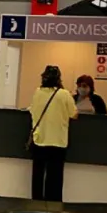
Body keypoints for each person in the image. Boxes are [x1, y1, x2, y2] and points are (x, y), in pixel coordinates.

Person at [28, 65, 78, 202]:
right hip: (58, 141)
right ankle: (53, 203)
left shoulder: (37, 92)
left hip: (40, 139)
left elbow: (32, 110)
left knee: (38, 174)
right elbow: (74, 114)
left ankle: (36, 201)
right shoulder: (64, 94)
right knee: (55, 176)